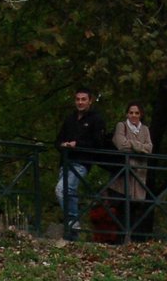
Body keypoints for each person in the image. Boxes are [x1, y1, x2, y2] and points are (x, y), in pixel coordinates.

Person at [55, 87, 108, 240]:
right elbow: (57, 140)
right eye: (78, 99)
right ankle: (73, 229)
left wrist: (77, 144)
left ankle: (73, 221)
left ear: (90, 101)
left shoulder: (96, 119)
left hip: (82, 161)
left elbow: (98, 143)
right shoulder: (70, 119)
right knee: (68, 192)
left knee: (63, 190)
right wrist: (63, 145)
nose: (80, 102)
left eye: (83, 99)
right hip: (65, 162)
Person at [111, 102, 154, 241]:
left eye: (136, 113)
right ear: (127, 114)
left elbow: (149, 148)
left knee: (136, 207)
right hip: (125, 173)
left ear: (141, 114)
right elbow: (121, 145)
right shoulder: (121, 126)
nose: (134, 115)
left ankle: (133, 240)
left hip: (140, 174)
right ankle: (120, 240)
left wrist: (132, 144)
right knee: (123, 207)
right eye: (131, 113)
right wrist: (140, 147)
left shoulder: (145, 129)